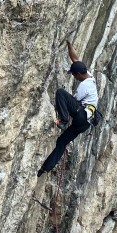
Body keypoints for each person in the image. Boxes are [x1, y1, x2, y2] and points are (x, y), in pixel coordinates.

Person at [37, 41, 99, 176]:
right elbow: (75, 59)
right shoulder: (89, 75)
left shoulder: (84, 86)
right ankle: (46, 167)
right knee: (62, 141)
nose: (73, 76)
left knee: (60, 93)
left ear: (79, 74)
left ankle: (63, 120)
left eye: (73, 74)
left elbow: (74, 104)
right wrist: (69, 45)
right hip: (85, 123)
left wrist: (66, 116)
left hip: (82, 115)